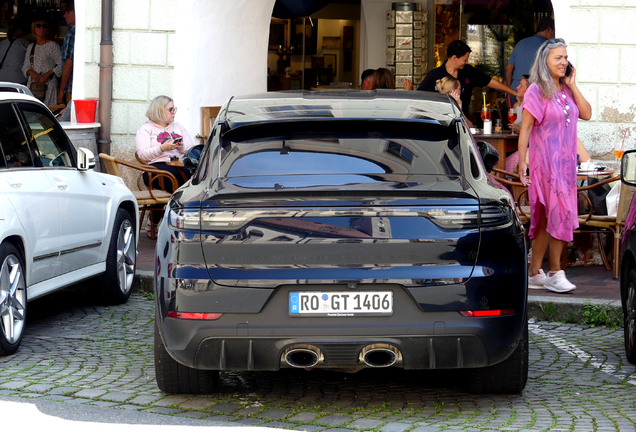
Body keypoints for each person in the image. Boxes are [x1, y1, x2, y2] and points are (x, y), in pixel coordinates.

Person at [518, 38, 592, 293]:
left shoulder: (566, 90)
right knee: (557, 216)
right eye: (558, 58)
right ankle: (555, 272)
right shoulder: (536, 90)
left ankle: (533, 273)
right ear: (545, 62)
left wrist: (572, 84)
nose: (563, 62)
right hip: (545, 166)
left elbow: (587, 113)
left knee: (549, 219)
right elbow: (525, 128)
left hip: (566, 167)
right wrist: (521, 164)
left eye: (565, 57)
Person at [417, 40, 517, 116]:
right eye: (465, 59)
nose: (467, 62)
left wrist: (515, 93)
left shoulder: (468, 71)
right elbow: (419, 98)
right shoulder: (434, 75)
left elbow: (490, 82)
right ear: (454, 58)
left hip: (464, 121)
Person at [505, 17, 555, 105]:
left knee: (515, 117)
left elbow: (508, 69)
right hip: (536, 92)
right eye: (554, 32)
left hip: (516, 90)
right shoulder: (549, 46)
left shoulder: (520, 43)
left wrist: (510, 90)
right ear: (549, 30)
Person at [21, 18, 62, 106]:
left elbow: (61, 65)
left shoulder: (53, 46)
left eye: (44, 26)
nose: (41, 28)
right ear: (34, 29)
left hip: (49, 86)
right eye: (38, 25)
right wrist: (31, 72)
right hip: (33, 86)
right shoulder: (31, 47)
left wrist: (48, 73)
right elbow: (25, 66)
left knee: (47, 112)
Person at [0, 19, 29, 84]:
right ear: (19, 30)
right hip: (18, 79)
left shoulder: (1, 43)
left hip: (2, 79)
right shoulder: (23, 43)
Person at [57, 0, 75, 105]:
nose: (65, 15)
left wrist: (61, 91)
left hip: (70, 88)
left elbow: (69, 63)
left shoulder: (71, 34)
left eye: (68, 11)